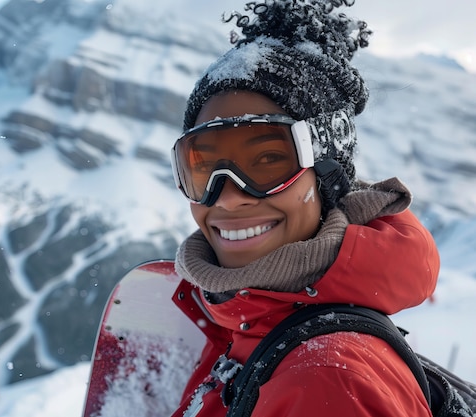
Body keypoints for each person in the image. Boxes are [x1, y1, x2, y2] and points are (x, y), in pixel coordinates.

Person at [169, 1, 440, 416]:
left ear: (328, 174)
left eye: (268, 160)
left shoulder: (326, 379)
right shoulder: (252, 318)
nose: (227, 196)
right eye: (203, 167)